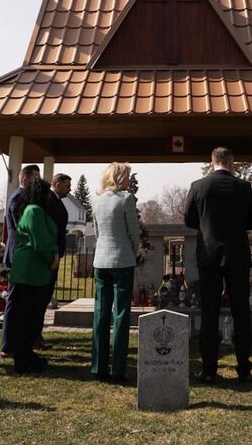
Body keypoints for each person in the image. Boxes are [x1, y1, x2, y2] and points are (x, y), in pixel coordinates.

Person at [184, 147, 252, 383]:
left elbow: (189, 219)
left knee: (209, 311)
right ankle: (244, 368)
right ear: (231, 161)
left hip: (209, 253)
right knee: (241, 311)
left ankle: (209, 369)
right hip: (237, 254)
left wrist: (208, 225)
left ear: (212, 162)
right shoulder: (244, 187)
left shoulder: (198, 186)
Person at [90, 162, 140, 383]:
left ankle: (98, 367)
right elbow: (134, 232)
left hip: (101, 259)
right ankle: (117, 369)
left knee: (101, 312)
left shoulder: (96, 200)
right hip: (122, 260)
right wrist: (134, 250)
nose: (129, 180)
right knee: (120, 314)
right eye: (127, 176)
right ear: (120, 178)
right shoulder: (126, 199)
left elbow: (98, 231)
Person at [5, 177, 58, 373]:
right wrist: (52, 257)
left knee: (28, 316)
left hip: (31, 270)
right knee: (26, 316)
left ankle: (26, 354)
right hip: (30, 271)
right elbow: (40, 241)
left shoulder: (33, 210)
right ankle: (23, 359)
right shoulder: (34, 211)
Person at [0, 164, 40, 357]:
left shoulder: (25, 197)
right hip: (18, 255)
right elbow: (22, 227)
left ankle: (18, 341)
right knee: (15, 301)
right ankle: (8, 345)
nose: (37, 184)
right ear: (25, 179)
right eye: (35, 179)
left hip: (24, 257)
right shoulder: (18, 198)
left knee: (22, 301)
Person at [32, 173, 70, 350]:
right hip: (49, 257)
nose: (69, 188)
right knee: (40, 298)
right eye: (66, 185)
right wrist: (53, 253)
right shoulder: (49, 201)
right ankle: (34, 336)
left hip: (55, 255)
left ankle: (36, 334)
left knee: (45, 297)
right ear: (57, 184)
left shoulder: (57, 201)